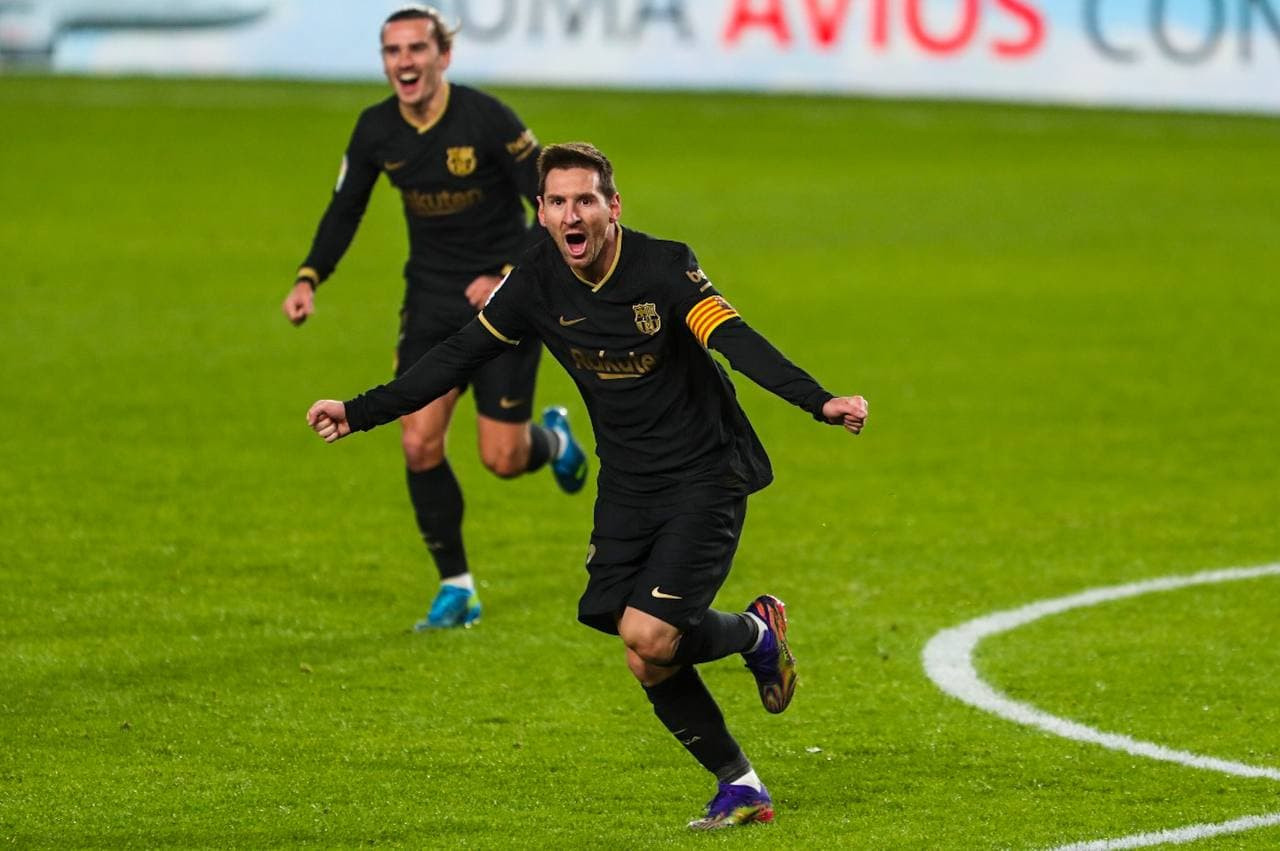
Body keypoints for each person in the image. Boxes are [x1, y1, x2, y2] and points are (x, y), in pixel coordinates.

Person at [306, 142, 868, 829]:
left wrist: (820, 401)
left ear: (612, 207)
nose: (572, 214)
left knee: (652, 633)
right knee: (643, 655)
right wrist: (359, 412)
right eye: (558, 202)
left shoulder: (664, 267)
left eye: (586, 200)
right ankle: (743, 770)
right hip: (628, 482)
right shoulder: (537, 277)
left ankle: (753, 648)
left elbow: (734, 339)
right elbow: (459, 353)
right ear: (540, 212)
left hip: (704, 471)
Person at [282, 6, 587, 631]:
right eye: (392, 51)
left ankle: (553, 440)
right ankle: (457, 587)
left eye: (416, 49)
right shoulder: (376, 130)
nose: (405, 62)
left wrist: (508, 271)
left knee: (501, 458)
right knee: (419, 441)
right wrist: (310, 276)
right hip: (430, 303)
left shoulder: (488, 119)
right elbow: (346, 209)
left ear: (442, 56)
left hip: (507, 299)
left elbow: (550, 205)